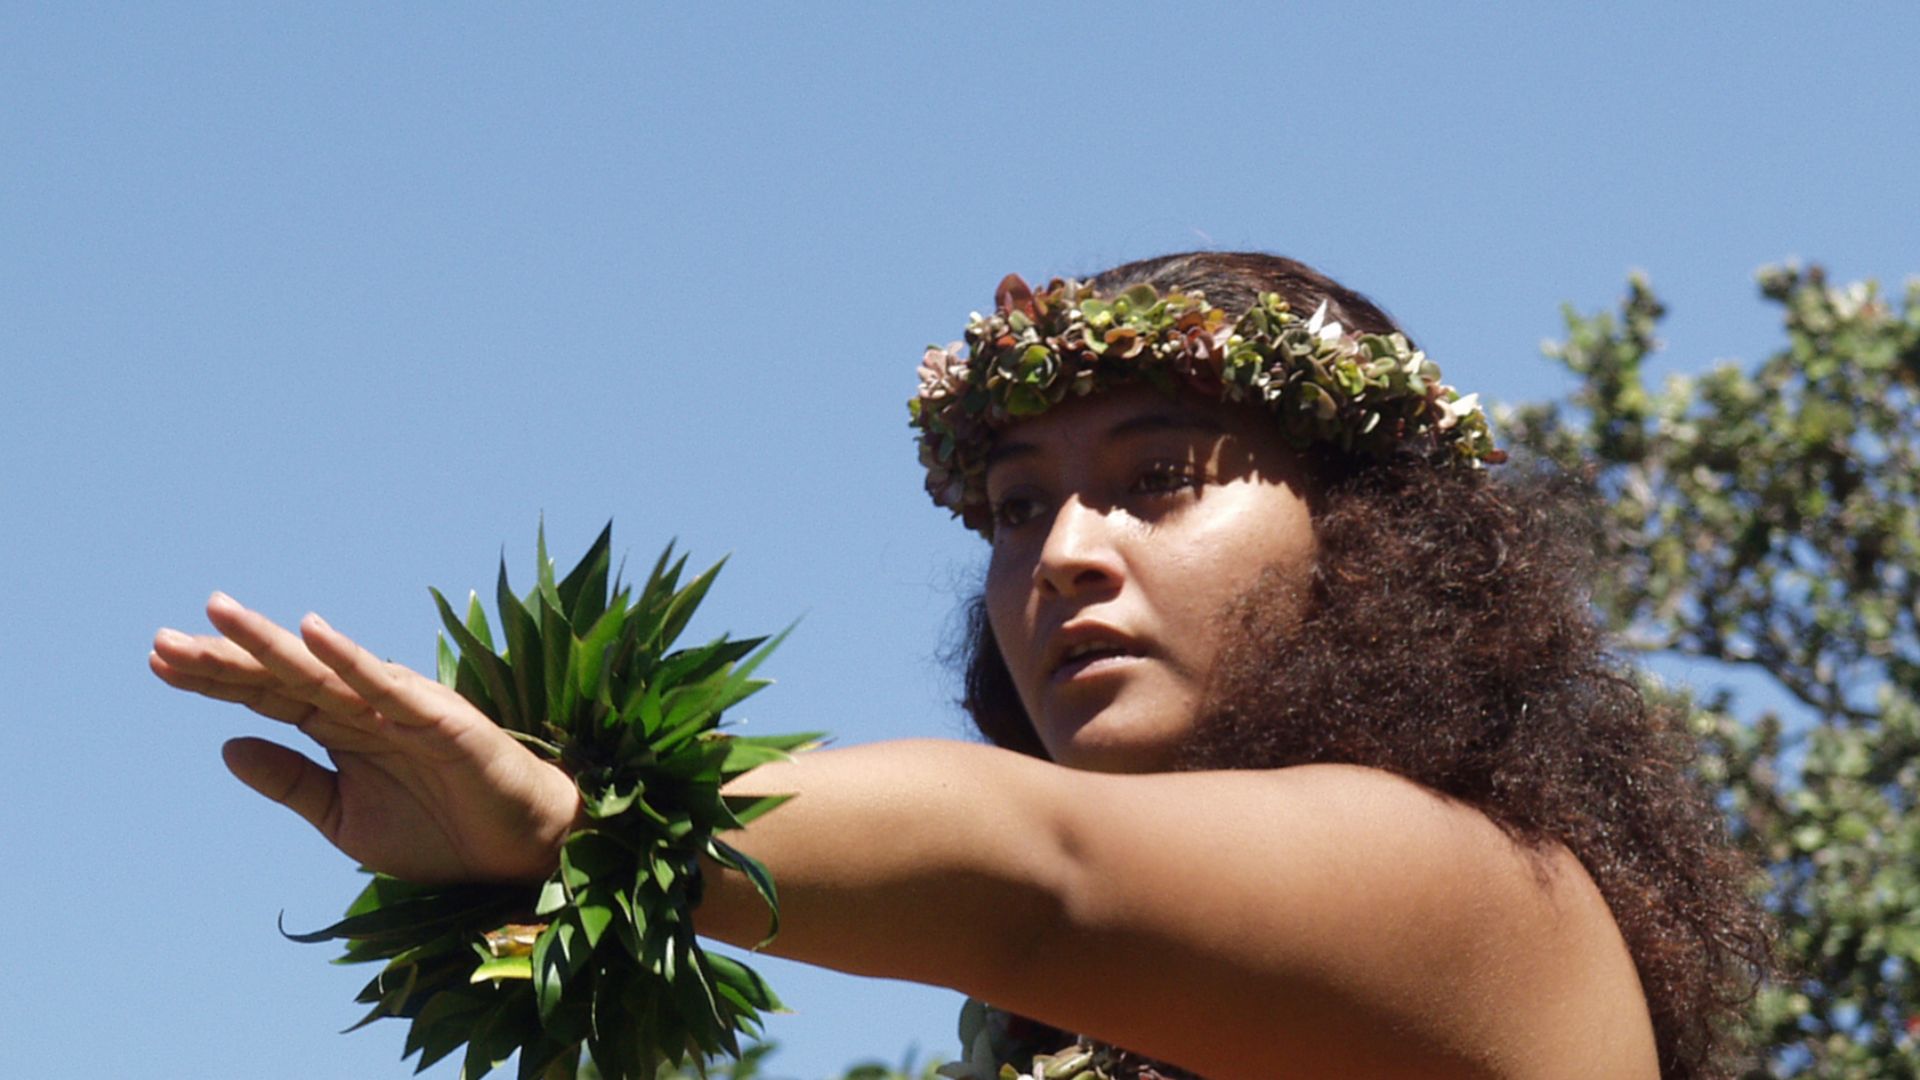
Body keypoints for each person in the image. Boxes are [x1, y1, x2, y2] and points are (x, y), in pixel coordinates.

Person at [151, 252, 1771, 1079]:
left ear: (1380, 545)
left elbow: (1032, 867)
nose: (1060, 549)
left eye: (1158, 480)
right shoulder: (1051, 1019)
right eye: (1014, 504)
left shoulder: (1481, 897)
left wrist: (584, 823)